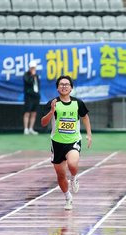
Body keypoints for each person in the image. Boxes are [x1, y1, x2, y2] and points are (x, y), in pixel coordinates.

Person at [41, 75, 92, 210]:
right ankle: (68, 197)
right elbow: (43, 122)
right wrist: (52, 111)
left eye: (67, 84)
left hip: (73, 140)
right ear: (57, 88)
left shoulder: (78, 103)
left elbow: (85, 117)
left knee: (72, 163)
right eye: (61, 84)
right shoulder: (53, 103)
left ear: (71, 88)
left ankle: (74, 177)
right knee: (60, 174)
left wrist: (89, 134)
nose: (64, 86)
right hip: (57, 142)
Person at [23, 61, 40, 135]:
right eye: (32, 67)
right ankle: (26, 129)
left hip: (36, 97)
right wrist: (32, 75)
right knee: (27, 112)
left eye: (34, 67)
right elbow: (28, 82)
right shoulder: (26, 75)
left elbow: (37, 86)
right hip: (29, 96)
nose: (33, 69)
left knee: (34, 113)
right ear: (29, 68)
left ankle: (31, 128)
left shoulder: (37, 76)